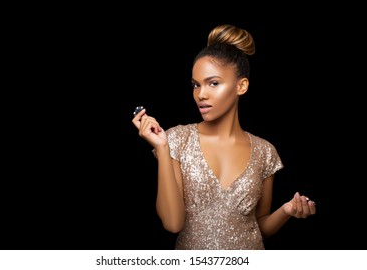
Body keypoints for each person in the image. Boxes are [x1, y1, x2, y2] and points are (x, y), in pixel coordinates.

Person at [132, 24, 316, 250]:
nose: (201, 94)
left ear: (242, 85)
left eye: (213, 83)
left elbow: (258, 227)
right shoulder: (177, 140)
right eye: (195, 85)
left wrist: (287, 211)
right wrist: (162, 149)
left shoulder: (265, 152)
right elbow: (172, 223)